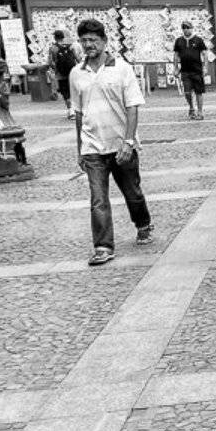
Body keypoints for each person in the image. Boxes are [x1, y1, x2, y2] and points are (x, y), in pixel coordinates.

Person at [68, 18, 152, 267]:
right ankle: (103, 246)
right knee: (98, 199)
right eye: (84, 40)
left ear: (104, 41)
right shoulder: (76, 73)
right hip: (93, 146)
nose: (88, 44)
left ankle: (143, 223)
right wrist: (80, 149)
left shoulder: (122, 68)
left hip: (121, 144)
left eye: (93, 40)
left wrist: (128, 141)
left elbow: (132, 107)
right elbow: (79, 113)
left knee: (132, 193)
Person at [172, 21, 209, 120]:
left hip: (197, 70)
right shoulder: (179, 41)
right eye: (184, 28)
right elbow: (176, 55)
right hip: (185, 71)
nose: (186, 30)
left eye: (188, 28)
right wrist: (175, 68)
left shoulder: (198, 40)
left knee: (198, 92)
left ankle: (200, 112)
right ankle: (191, 108)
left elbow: (205, 54)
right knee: (187, 92)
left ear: (192, 28)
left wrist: (205, 67)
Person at [49, 29, 79, 117]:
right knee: (73, 91)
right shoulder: (70, 46)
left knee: (65, 93)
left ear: (55, 38)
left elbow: (50, 62)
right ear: (63, 37)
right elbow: (77, 58)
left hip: (61, 75)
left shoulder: (53, 48)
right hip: (72, 73)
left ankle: (71, 111)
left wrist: (55, 69)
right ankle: (76, 109)